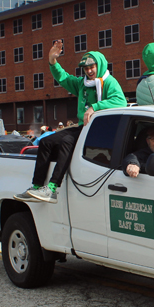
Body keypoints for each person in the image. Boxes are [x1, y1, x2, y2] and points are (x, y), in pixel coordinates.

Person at [14, 40, 127, 203]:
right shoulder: (82, 84)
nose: (89, 71)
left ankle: (52, 188)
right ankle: (37, 186)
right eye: (86, 68)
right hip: (83, 127)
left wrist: (94, 107)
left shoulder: (109, 82)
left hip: (99, 129)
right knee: (46, 141)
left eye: (92, 67)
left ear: (99, 65)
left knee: (67, 141)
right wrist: (52, 61)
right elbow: (64, 78)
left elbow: (120, 101)